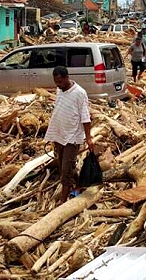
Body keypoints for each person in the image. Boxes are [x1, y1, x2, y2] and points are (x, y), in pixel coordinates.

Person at [44, 66, 94, 203]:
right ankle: (80, 184)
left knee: (65, 173)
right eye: (56, 82)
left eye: (60, 81)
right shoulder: (60, 90)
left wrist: (88, 138)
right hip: (60, 135)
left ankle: (63, 202)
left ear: (67, 78)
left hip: (73, 137)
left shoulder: (79, 93)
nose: (57, 84)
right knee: (66, 167)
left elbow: (85, 117)